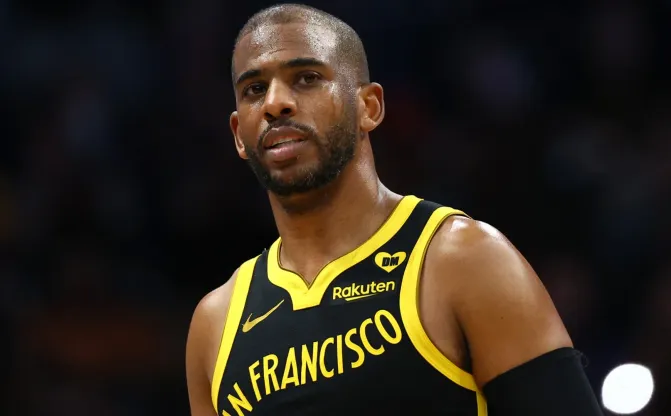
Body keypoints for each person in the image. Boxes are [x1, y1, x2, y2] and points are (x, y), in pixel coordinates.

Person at [185, 4, 603, 415]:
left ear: (369, 107)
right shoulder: (216, 324)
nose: (276, 103)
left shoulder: (464, 260)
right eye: (254, 89)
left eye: (307, 78)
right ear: (240, 134)